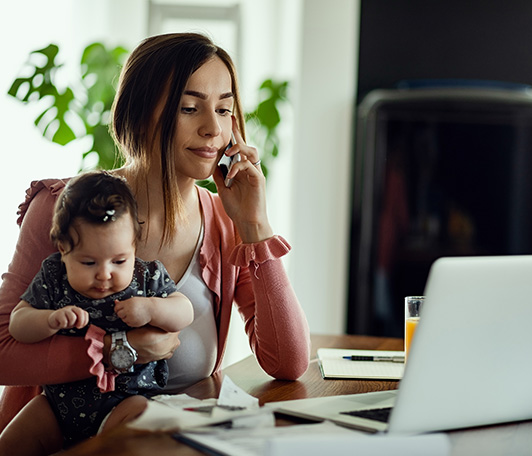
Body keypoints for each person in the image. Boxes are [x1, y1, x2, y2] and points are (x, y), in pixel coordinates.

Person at [0, 32, 311, 441]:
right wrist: (118, 350)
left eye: (224, 109)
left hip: (177, 441)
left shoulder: (223, 222)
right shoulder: (65, 206)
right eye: (189, 108)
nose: (212, 129)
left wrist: (255, 225)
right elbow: (4, 353)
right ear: (141, 111)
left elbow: (288, 362)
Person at [0, 171, 194, 453]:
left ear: (134, 247)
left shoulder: (145, 278)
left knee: (142, 422)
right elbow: (18, 324)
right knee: (9, 444)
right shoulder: (54, 276)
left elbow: (184, 311)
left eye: (119, 260)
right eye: (89, 262)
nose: (105, 274)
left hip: (126, 400)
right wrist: (48, 320)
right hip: (56, 406)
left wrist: (152, 308)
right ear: (63, 250)